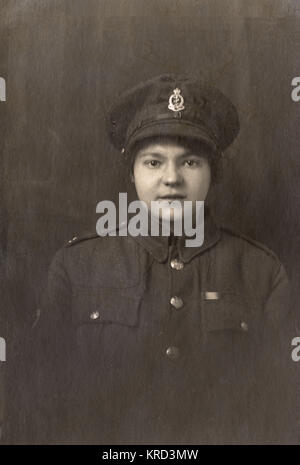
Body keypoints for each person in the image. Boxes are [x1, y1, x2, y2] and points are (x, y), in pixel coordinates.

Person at [35, 74, 296, 444]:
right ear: (132, 173)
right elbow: (40, 402)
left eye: (190, 163)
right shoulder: (76, 267)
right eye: (154, 163)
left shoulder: (261, 272)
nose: (171, 179)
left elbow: (281, 411)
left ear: (213, 173)